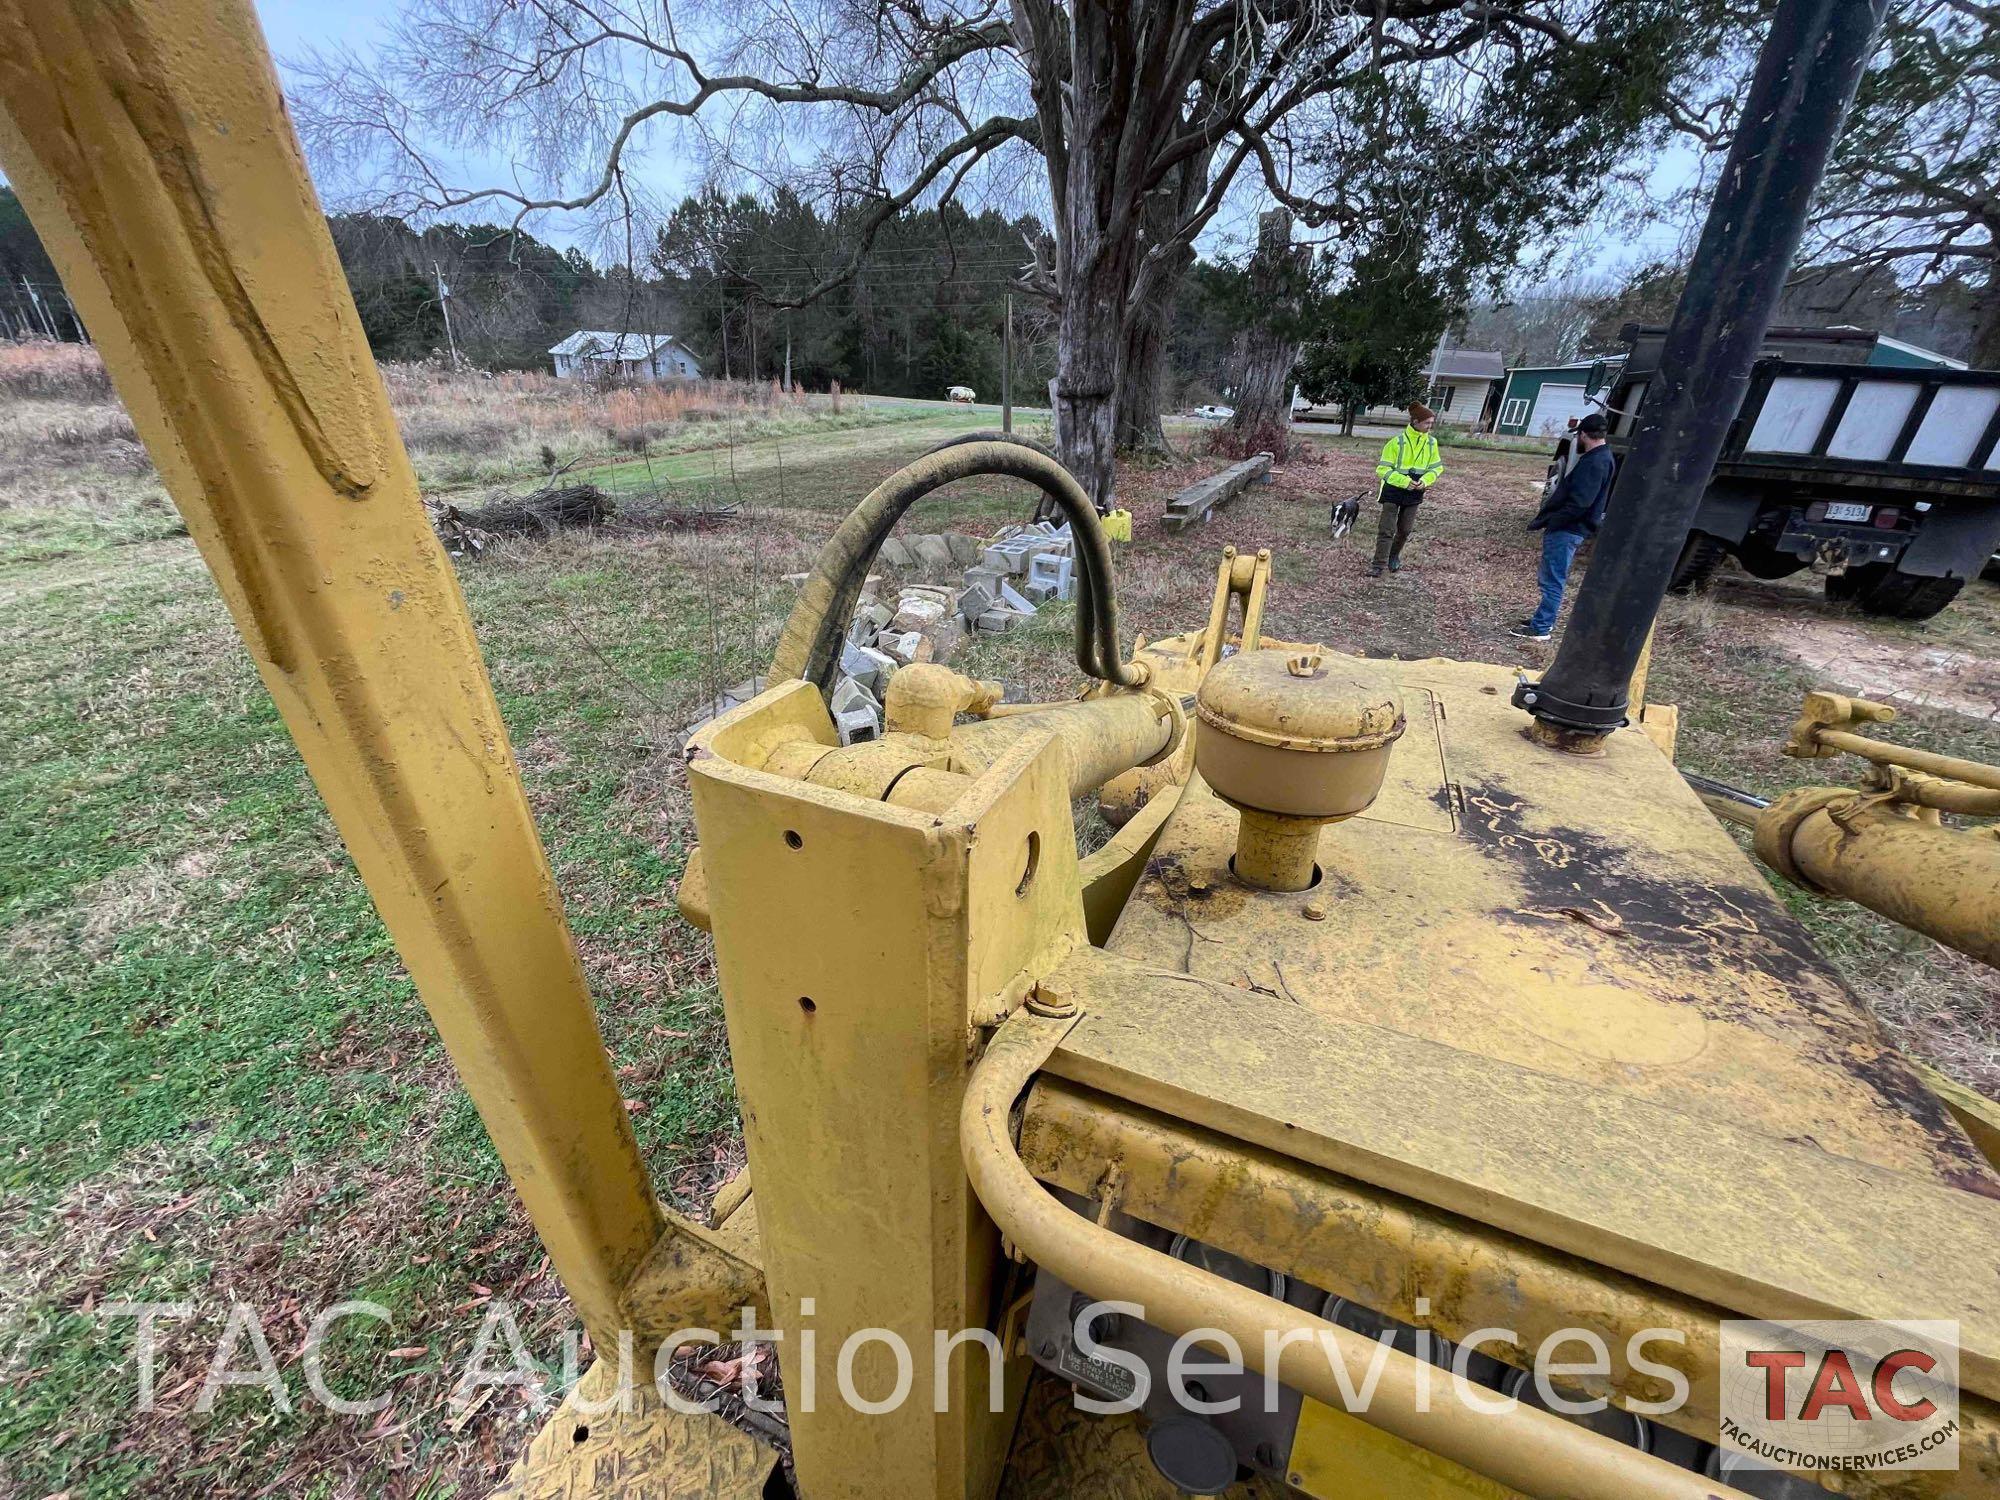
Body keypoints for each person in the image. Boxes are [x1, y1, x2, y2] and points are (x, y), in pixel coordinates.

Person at [1512, 411, 1615, 640]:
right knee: (1551, 577)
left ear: (1584, 435)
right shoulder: (1602, 457)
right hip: (1570, 528)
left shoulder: (1596, 462)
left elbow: (1580, 503)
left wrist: (1555, 522)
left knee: (1552, 579)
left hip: (1568, 530)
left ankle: (1541, 628)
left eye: (1579, 436)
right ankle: (1542, 620)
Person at [1367, 402, 1443, 576]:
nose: (1430, 426)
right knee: (1386, 529)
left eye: (1432, 423)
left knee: (1405, 530)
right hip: (1393, 491)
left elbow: (1436, 468)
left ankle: (1393, 556)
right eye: (1427, 423)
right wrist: (1404, 481)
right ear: (1415, 422)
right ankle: (1378, 565)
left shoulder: (1432, 443)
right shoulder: (1396, 443)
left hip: (1415, 492)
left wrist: (1424, 481)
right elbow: (1382, 469)